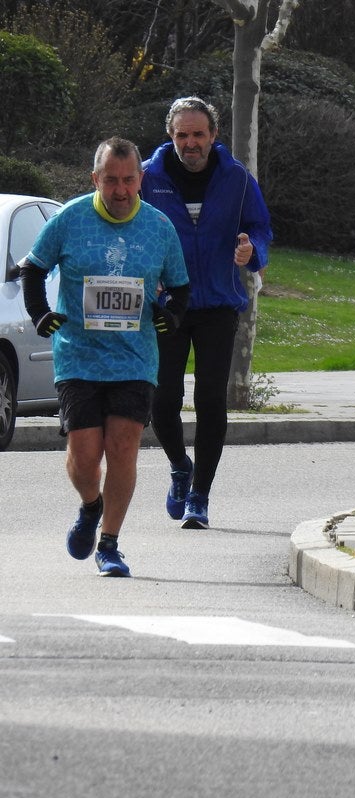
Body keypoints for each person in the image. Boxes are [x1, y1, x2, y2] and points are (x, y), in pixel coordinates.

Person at [21, 137, 190, 577]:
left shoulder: (158, 227)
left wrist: (169, 316)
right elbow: (33, 267)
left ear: (141, 178)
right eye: (111, 180)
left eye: (129, 180)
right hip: (79, 354)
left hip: (135, 358)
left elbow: (180, 287)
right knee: (84, 454)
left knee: (123, 447)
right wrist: (41, 314)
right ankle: (90, 505)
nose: (120, 190)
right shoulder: (70, 218)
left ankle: (110, 543)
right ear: (95, 179)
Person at [142, 96, 272, 530]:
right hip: (168, 305)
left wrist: (251, 250)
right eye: (182, 135)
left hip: (219, 303)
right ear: (171, 136)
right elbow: (129, 227)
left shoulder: (236, 179)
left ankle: (200, 495)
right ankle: (181, 467)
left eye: (198, 134)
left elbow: (261, 227)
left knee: (211, 401)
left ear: (213, 136)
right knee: (162, 400)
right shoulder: (147, 177)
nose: (190, 143)